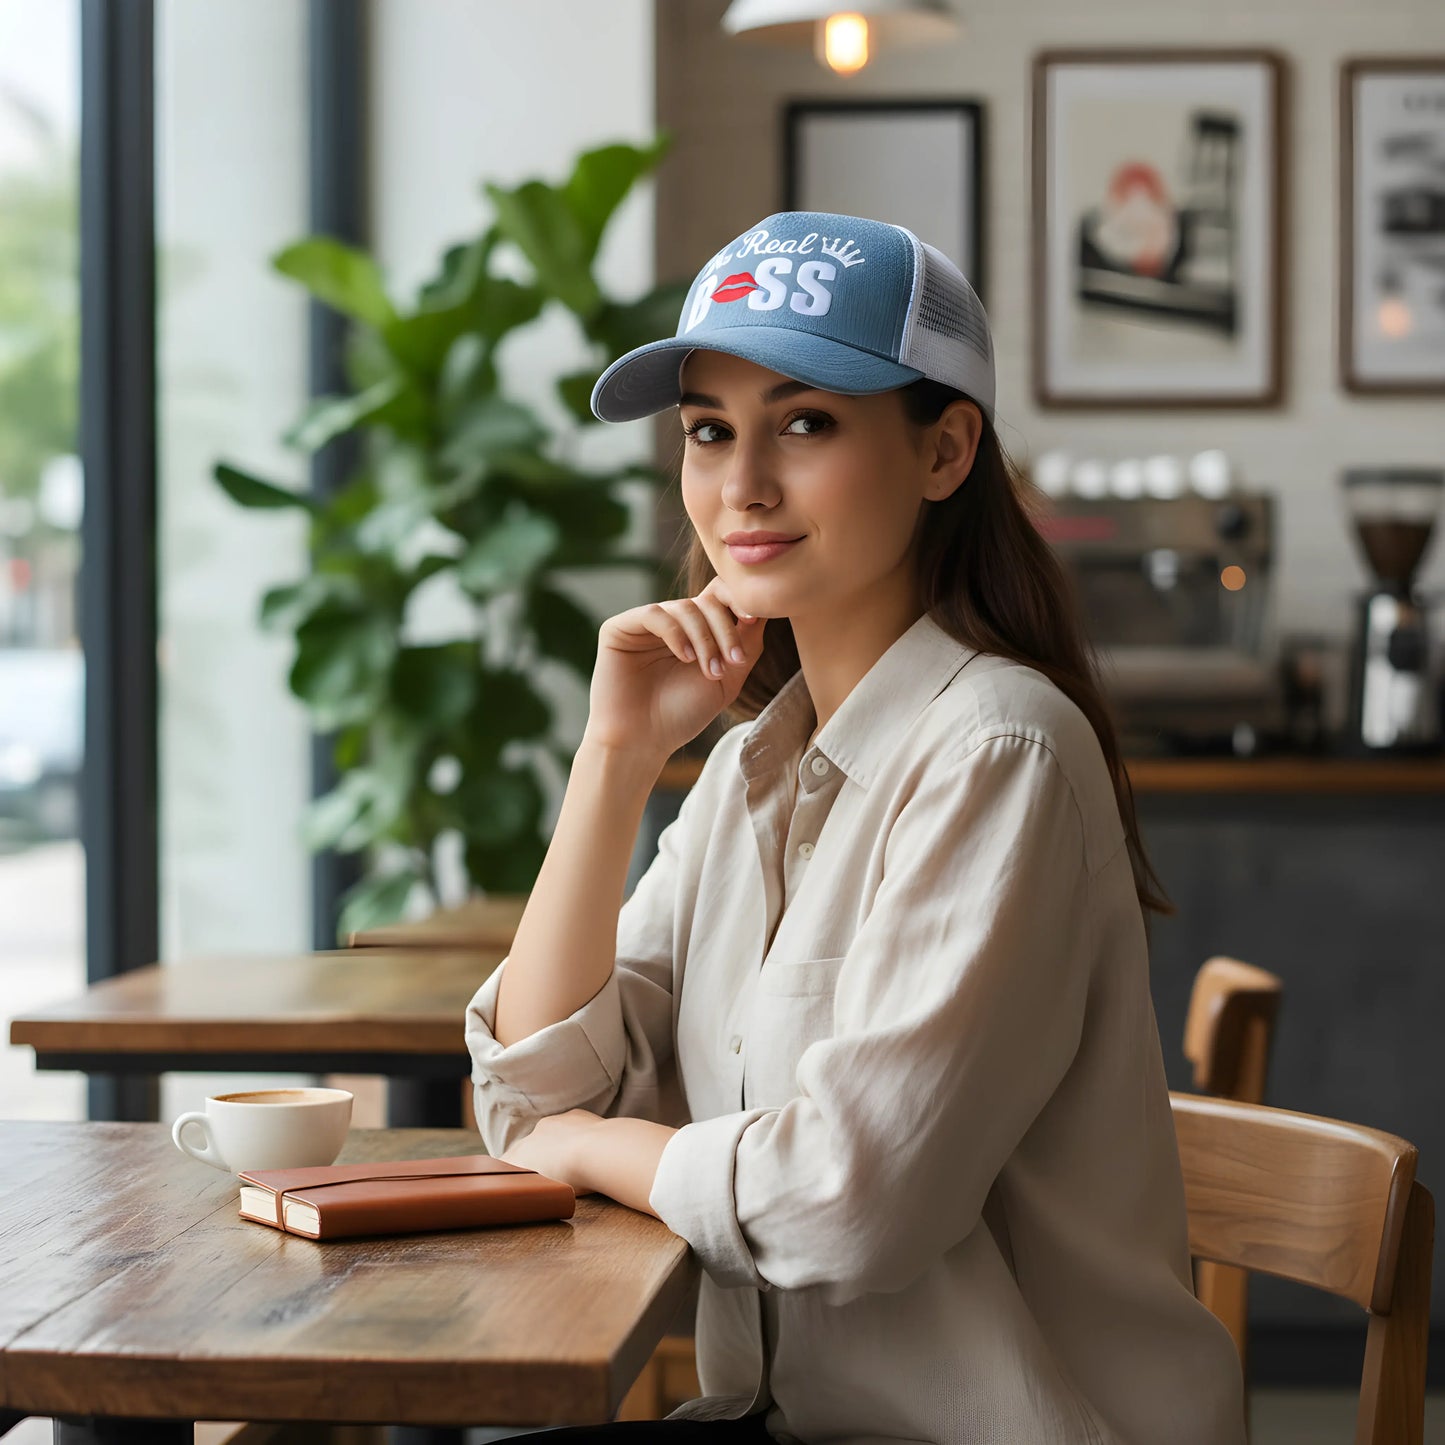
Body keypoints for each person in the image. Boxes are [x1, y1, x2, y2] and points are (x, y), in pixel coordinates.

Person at [463, 210, 1248, 1444]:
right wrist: (613, 760)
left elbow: (849, 1202)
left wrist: (590, 1149)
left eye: (805, 422)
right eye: (708, 431)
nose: (741, 486)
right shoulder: (747, 773)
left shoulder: (998, 752)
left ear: (943, 452)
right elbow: (526, 1095)